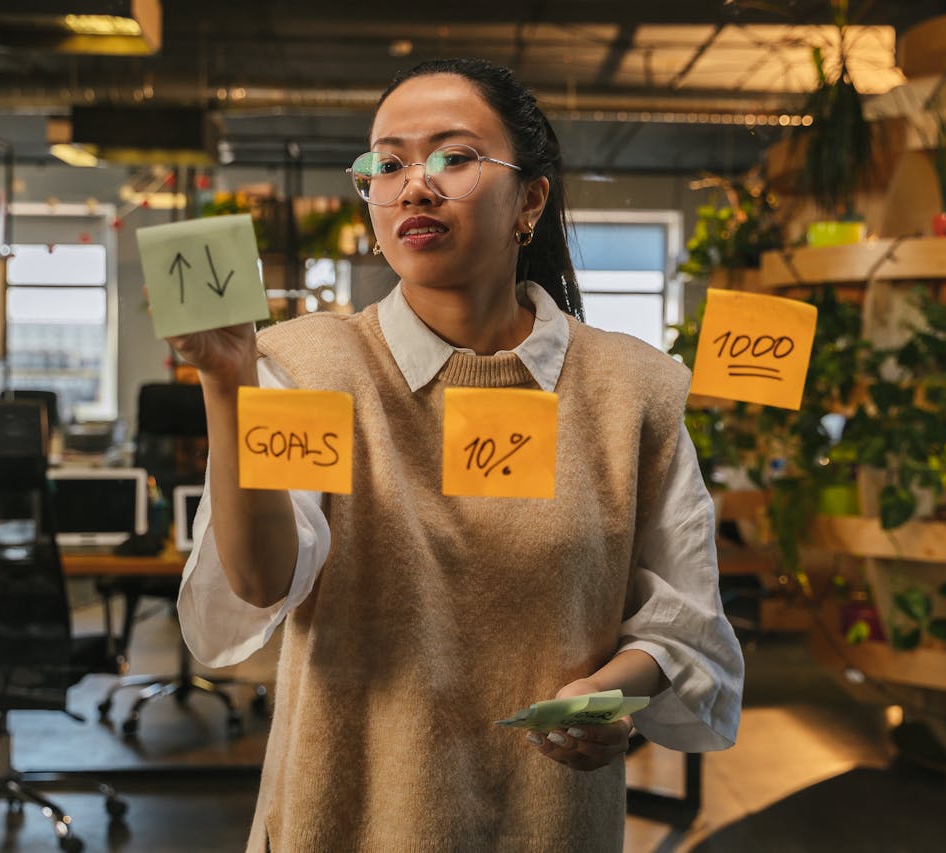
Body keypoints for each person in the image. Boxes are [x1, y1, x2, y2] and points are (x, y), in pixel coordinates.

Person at [171, 57, 744, 852]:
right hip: (346, 816)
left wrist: (611, 697)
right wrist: (226, 380)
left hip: (550, 818)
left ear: (530, 200)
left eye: (453, 156)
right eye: (387, 164)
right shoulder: (309, 367)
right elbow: (263, 580)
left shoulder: (631, 390)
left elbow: (684, 620)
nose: (414, 186)